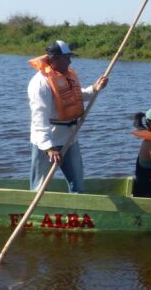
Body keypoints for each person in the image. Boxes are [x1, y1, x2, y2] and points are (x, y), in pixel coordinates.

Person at [28, 39, 108, 193]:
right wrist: (48, 148)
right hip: (46, 140)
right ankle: (35, 212)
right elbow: (39, 118)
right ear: (54, 59)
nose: (70, 61)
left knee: (77, 185)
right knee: (39, 187)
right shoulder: (40, 84)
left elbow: (76, 96)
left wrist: (95, 89)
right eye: (67, 58)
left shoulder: (67, 75)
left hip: (69, 139)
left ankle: (77, 214)